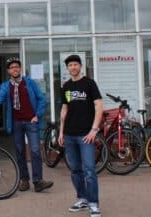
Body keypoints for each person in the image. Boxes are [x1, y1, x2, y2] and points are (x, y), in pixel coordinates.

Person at [0, 56, 53, 193]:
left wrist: (37, 115)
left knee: (34, 150)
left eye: (17, 66)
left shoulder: (30, 83)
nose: (14, 69)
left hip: (31, 122)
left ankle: (38, 181)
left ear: (20, 68)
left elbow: (42, 99)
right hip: (16, 123)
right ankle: (24, 180)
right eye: (12, 67)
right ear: (8, 71)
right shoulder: (6, 86)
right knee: (20, 151)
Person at [58, 54, 103, 217]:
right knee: (75, 169)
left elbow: (99, 106)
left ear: (81, 66)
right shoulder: (66, 86)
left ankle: (93, 203)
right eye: (70, 65)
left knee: (89, 170)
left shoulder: (89, 84)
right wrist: (61, 132)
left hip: (86, 135)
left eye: (76, 64)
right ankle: (82, 198)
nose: (73, 67)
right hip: (69, 134)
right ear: (67, 68)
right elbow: (64, 109)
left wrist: (94, 130)